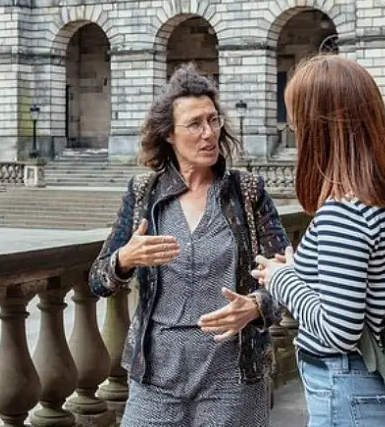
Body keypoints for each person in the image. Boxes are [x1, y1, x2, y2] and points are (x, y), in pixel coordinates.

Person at [89, 63, 290, 427]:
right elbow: (97, 280)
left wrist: (257, 306)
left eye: (213, 121)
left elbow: (289, 277)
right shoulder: (142, 194)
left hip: (232, 377)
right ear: (168, 134)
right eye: (195, 124)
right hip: (156, 377)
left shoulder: (247, 192)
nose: (208, 133)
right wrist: (124, 259)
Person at [253, 54, 385, 427]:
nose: (292, 126)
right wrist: (302, 270)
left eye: (296, 115)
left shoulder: (344, 213)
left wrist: (281, 280)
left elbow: (338, 330)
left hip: (350, 392)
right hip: (375, 392)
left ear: (321, 125)